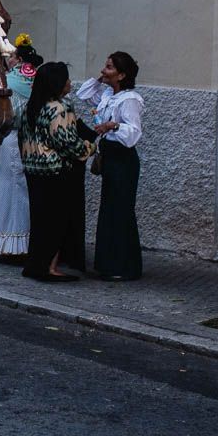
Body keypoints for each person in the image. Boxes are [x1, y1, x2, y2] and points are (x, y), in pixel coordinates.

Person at [17, 61, 96, 282]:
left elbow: (21, 137)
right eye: (67, 79)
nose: (70, 83)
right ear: (57, 83)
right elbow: (68, 142)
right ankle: (49, 267)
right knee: (57, 221)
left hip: (33, 169)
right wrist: (90, 147)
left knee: (39, 220)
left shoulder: (28, 107)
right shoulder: (59, 108)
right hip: (55, 171)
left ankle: (35, 264)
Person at [78, 52, 145, 281]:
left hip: (123, 159)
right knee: (109, 209)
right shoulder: (108, 95)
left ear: (122, 75)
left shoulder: (130, 100)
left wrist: (114, 126)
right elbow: (83, 94)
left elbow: (133, 134)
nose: (104, 70)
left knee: (121, 210)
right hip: (109, 158)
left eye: (109, 67)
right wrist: (101, 78)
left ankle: (125, 266)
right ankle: (108, 264)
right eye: (105, 66)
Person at [0, 35, 40, 257]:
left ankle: (11, 242)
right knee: (19, 187)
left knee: (8, 186)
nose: (7, 60)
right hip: (28, 139)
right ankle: (17, 241)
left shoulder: (10, 80)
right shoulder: (34, 78)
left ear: (18, 58)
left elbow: (0, 112)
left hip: (10, 137)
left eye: (10, 56)